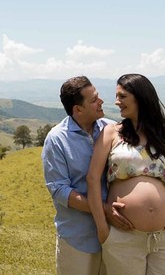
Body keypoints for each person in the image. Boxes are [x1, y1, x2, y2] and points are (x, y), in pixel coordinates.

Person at [88, 73, 165, 274]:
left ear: (140, 97)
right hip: (124, 237)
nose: (117, 102)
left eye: (122, 96)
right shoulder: (111, 133)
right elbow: (92, 178)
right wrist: (102, 229)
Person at [43, 75, 133, 275]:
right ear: (78, 109)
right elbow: (59, 190)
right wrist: (104, 210)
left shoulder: (112, 129)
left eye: (98, 96)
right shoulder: (57, 139)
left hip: (116, 234)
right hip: (78, 238)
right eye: (93, 100)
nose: (101, 102)